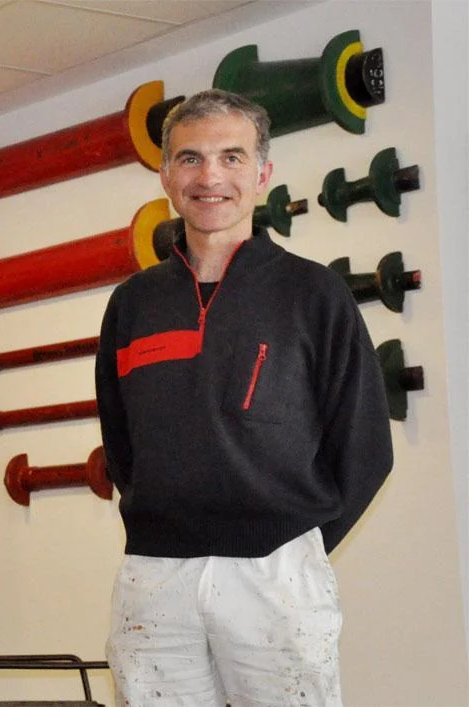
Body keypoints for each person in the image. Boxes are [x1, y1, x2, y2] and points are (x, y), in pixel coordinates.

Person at [94, 89, 393, 705]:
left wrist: (291, 536)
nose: (210, 177)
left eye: (231, 157)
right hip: (155, 574)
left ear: (262, 174)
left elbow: (365, 448)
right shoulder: (132, 304)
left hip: (277, 572)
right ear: (166, 176)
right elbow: (121, 443)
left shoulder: (315, 294)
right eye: (190, 158)